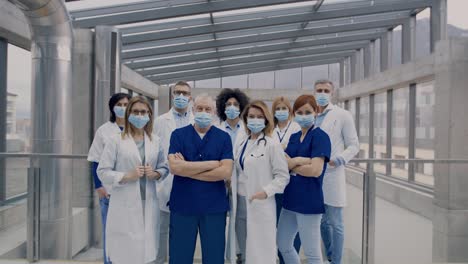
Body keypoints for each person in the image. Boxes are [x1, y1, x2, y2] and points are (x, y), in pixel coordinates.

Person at [97, 96, 169, 264]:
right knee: (126, 252)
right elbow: (102, 171)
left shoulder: (155, 140)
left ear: (149, 115)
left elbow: (164, 167)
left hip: (149, 202)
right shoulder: (116, 140)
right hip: (125, 203)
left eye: (143, 112)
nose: (139, 115)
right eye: (135, 111)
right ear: (128, 114)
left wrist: (156, 174)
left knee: (147, 251)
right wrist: (126, 176)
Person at [167, 94, 233, 264]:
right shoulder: (178, 135)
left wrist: (187, 168)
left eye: (208, 109)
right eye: (200, 109)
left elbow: (225, 172)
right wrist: (211, 164)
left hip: (213, 208)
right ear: (193, 110)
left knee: (214, 257)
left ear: (214, 112)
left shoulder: (223, 137)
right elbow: (174, 167)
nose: (203, 112)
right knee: (179, 257)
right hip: (183, 206)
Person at [229, 100, 289, 264]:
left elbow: (283, 177)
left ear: (266, 120)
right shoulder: (242, 143)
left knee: (261, 253)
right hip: (240, 202)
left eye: (259, 117)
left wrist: (265, 192)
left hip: (260, 202)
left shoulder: (271, 144)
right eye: (251, 116)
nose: (255, 120)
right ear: (246, 119)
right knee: (243, 250)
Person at [277, 94, 331, 264]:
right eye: (299, 112)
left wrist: (293, 162)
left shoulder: (320, 136)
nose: (303, 115)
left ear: (315, 112)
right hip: (290, 200)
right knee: (283, 243)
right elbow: (282, 163)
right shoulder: (293, 138)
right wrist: (301, 161)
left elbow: (315, 170)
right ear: (294, 114)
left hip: (309, 201)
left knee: (312, 252)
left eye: (308, 111)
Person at [314, 80, 359, 264]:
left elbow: (354, 145)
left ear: (332, 93)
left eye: (326, 90)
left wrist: (338, 159)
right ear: (314, 92)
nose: (322, 93)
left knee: (336, 223)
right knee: (322, 222)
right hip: (314, 176)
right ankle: (330, 256)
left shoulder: (342, 115)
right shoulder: (311, 116)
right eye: (319, 90)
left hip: (333, 174)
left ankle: (337, 261)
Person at [153, 81, 194, 264]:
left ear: (190, 97)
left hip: (189, 182)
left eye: (185, 93)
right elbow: (155, 150)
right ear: (172, 95)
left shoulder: (197, 120)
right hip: (164, 182)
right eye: (177, 92)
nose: (181, 96)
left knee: (181, 234)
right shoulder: (161, 121)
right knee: (160, 231)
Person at [87, 92, 131, 264]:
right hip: (109, 191)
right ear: (112, 107)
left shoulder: (137, 130)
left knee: (130, 233)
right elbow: (94, 160)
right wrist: (99, 187)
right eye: (119, 104)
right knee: (110, 233)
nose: (122, 108)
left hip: (131, 190)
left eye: (126, 104)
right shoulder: (104, 130)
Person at [271, 96, 302, 264]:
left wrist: (279, 151)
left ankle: (289, 259)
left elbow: (298, 153)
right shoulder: (270, 130)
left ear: (289, 111)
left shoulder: (297, 127)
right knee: (278, 227)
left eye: (284, 108)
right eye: (278, 108)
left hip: (294, 184)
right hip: (276, 185)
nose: (281, 112)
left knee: (293, 230)